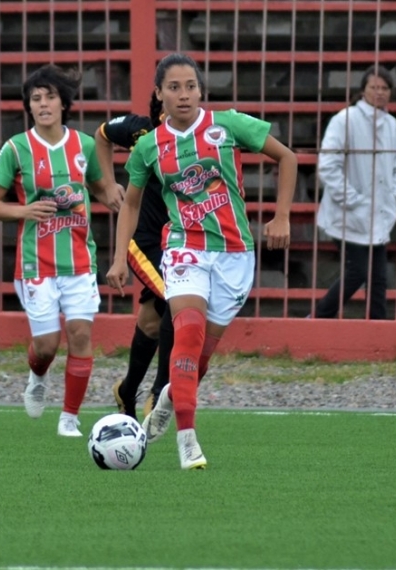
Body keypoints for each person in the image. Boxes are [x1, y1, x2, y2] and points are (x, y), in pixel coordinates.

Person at [107, 53, 297, 469]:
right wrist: (119, 258)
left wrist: (281, 215)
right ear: (159, 94)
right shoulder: (149, 146)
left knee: (198, 362)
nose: (184, 95)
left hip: (234, 255)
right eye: (174, 87)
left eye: (190, 86)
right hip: (184, 249)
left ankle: (167, 399)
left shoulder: (227, 125)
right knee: (187, 333)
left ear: (200, 90)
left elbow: (288, 158)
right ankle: (188, 440)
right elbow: (131, 204)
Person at [0, 64, 122, 437]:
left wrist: (116, 196)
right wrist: (24, 211)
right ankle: (37, 377)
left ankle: (69, 417)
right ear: (29, 106)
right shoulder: (16, 148)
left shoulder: (85, 145)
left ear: (64, 103)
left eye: (50, 97)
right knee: (46, 346)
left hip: (79, 260)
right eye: (36, 98)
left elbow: (99, 186)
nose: (43, 104)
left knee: (80, 334)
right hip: (35, 262)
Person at [95, 95, 174, 421]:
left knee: (152, 322)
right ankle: (161, 391)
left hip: (179, 242)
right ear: (160, 97)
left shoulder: (199, 139)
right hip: (144, 240)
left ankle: (126, 391)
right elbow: (102, 135)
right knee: (177, 298)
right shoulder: (140, 131)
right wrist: (108, 184)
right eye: (173, 89)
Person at [314, 65, 396, 320]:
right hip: (349, 214)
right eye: (374, 87)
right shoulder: (345, 119)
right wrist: (352, 199)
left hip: (380, 211)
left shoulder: (390, 124)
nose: (380, 92)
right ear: (363, 90)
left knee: (378, 279)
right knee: (358, 272)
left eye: (384, 88)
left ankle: (378, 328)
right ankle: (319, 317)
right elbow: (328, 164)